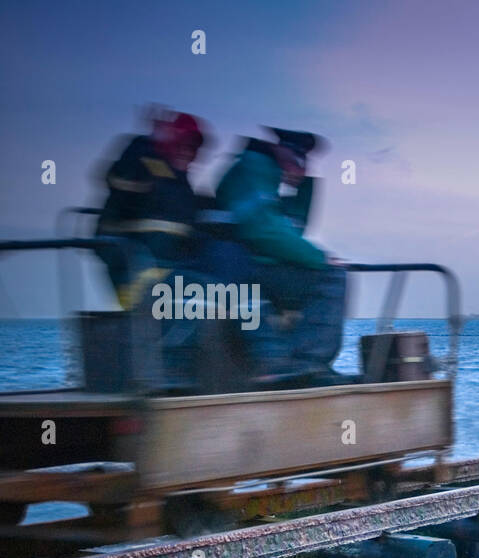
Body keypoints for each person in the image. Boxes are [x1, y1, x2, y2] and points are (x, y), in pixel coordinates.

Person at [211, 127, 348, 386]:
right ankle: (306, 363)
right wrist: (320, 259)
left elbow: (293, 228)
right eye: (296, 158)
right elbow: (264, 231)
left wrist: (304, 185)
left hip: (250, 266)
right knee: (331, 277)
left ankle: (301, 364)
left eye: (303, 161)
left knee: (326, 274)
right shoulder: (253, 168)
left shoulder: (266, 175)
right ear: (278, 148)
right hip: (238, 267)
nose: (299, 165)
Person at [94, 109, 209, 381]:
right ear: (169, 142)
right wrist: (151, 142)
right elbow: (118, 178)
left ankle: (175, 369)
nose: (188, 152)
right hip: (131, 275)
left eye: (194, 147)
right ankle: (165, 369)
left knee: (220, 288)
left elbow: (190, 236)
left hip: (166, 275)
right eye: (183, 144)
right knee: (197, 291)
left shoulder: (180, 186)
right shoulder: (142, 162)